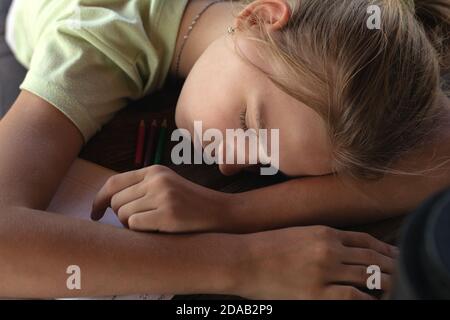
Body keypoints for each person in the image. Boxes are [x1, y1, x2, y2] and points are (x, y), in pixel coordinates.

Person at [0, 0, 446, 299]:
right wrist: (246, 263)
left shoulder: (321, 32)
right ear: (258, 16)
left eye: (264, 160)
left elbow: (439, 157)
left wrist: (231, 211)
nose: (231, 163)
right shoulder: (93, 43)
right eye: (247, 124)